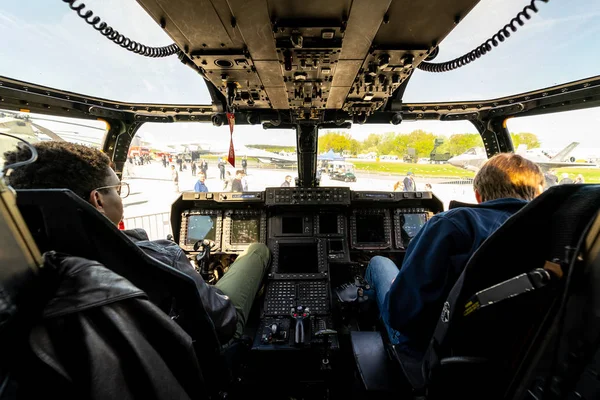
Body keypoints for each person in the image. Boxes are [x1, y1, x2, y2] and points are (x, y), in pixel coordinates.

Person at [4, 142, 270, 344]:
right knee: (256, 251)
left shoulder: (15, 275)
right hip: (194, 357)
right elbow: (222, 321)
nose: (120, 197)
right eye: (117, 189)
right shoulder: (161, 256)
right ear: (97, 200)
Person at [364, 153, 545, 359]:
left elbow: (401, 315)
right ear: (537, 193)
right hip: (517, 358)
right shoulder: (551, 229)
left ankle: (365, 334)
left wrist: (401, 285)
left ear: (477, 195)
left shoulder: (451, 225)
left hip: (435, 353)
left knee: (379, 263)